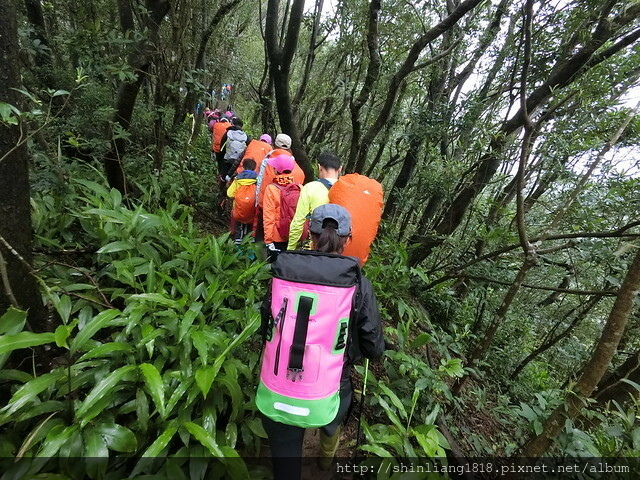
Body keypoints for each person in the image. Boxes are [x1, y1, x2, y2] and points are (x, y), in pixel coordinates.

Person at [259, 203, 385, 479]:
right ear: (348, 239)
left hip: (277, 384)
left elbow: (265, 326)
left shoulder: (282, 270)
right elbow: (373, 345)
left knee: (285, 458)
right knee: (332, 419)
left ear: (310, 233)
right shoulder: (357, 282)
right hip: (331, 384)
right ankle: (326, 461)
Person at [287, 152, 341, 251]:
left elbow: (298, 221)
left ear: (319, 167)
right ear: (340, 169)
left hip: (315, 245)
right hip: (339, 248)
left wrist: (290, 248)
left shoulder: (310, 187)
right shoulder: (346, 189)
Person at [262, 154, 300, 256]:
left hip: (276, 236)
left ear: (276, 170)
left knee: (275, 267)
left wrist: (268, 241)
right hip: (293, 234)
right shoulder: (299, 187)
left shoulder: (271, 189)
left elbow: (268, 217)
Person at [227, 158, 258, 245]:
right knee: (250, 230)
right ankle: (250, 252)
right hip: (252, 210)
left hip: (239, 210)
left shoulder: (237, 179)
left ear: (243, 167)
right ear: (254, 168)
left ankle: (238, 251)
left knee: (238, 229)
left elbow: (229, 194)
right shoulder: (257, 180)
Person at [220, 117, 248, 182]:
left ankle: (222, 188)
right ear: (241, 126)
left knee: (223, 177)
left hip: (227, 159)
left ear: (232, 124)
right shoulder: (245, 136)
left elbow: (222, 147)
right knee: (234, 178)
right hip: (238, 161)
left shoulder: (228, 133)